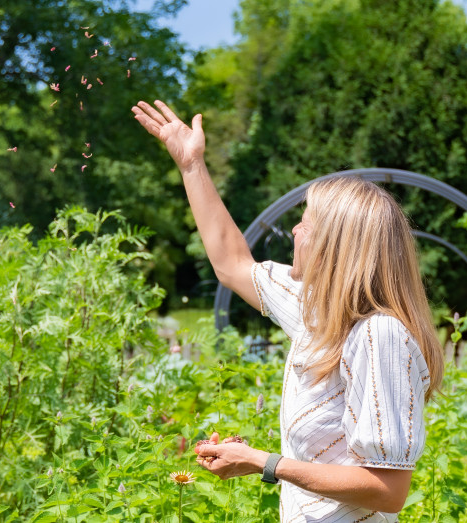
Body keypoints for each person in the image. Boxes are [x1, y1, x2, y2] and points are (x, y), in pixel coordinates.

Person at [132, 100, 444, 522]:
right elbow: (231, 263)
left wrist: (264, 462)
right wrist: (191, 165)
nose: (294, 230)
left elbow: (388, 490)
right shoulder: (314, 309)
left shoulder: (378, 336)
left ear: (336, 248)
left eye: (307, 224)